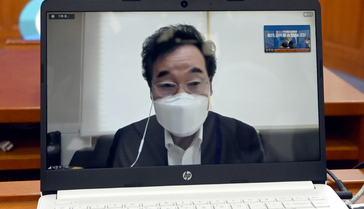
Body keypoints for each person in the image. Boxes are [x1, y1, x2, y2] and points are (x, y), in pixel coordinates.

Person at [107, 24, 264, 167]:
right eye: (167, 85)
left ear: (210, 86)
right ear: (151, 90)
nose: (182, 96)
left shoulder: (241, 137)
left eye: (194, 83)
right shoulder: (129, 140)